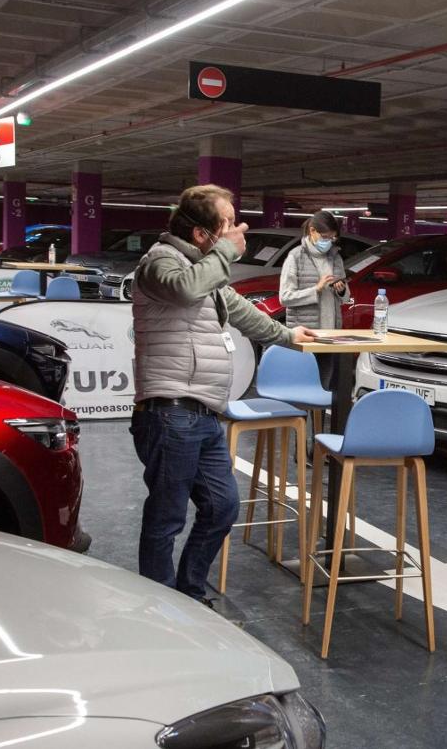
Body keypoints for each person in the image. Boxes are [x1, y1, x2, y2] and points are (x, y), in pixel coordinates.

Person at [130, 184, 316, 608]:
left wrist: (290, 336)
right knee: (166, 517)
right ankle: (162, 610)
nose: (237, 230)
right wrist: (226, 252)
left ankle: (190, 594)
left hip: (205, 413)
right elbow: (183, 289)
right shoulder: (160, 262)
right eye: (228, 223)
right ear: (201, 233)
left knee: (221, 507)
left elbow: (244, 313)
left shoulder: (206, 272)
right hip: (170, 412)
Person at [278, 209, 352, 387]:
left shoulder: (336, 258)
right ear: (312, 231)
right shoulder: (296, 257)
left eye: (332, 238)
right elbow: (285, 297)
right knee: (301, 386)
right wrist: (316, 289)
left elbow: (346, 298)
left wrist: (341, 290)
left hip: (330, 335)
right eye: (325, 237)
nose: (329, 242)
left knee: (326, 387)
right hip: (306, 335)